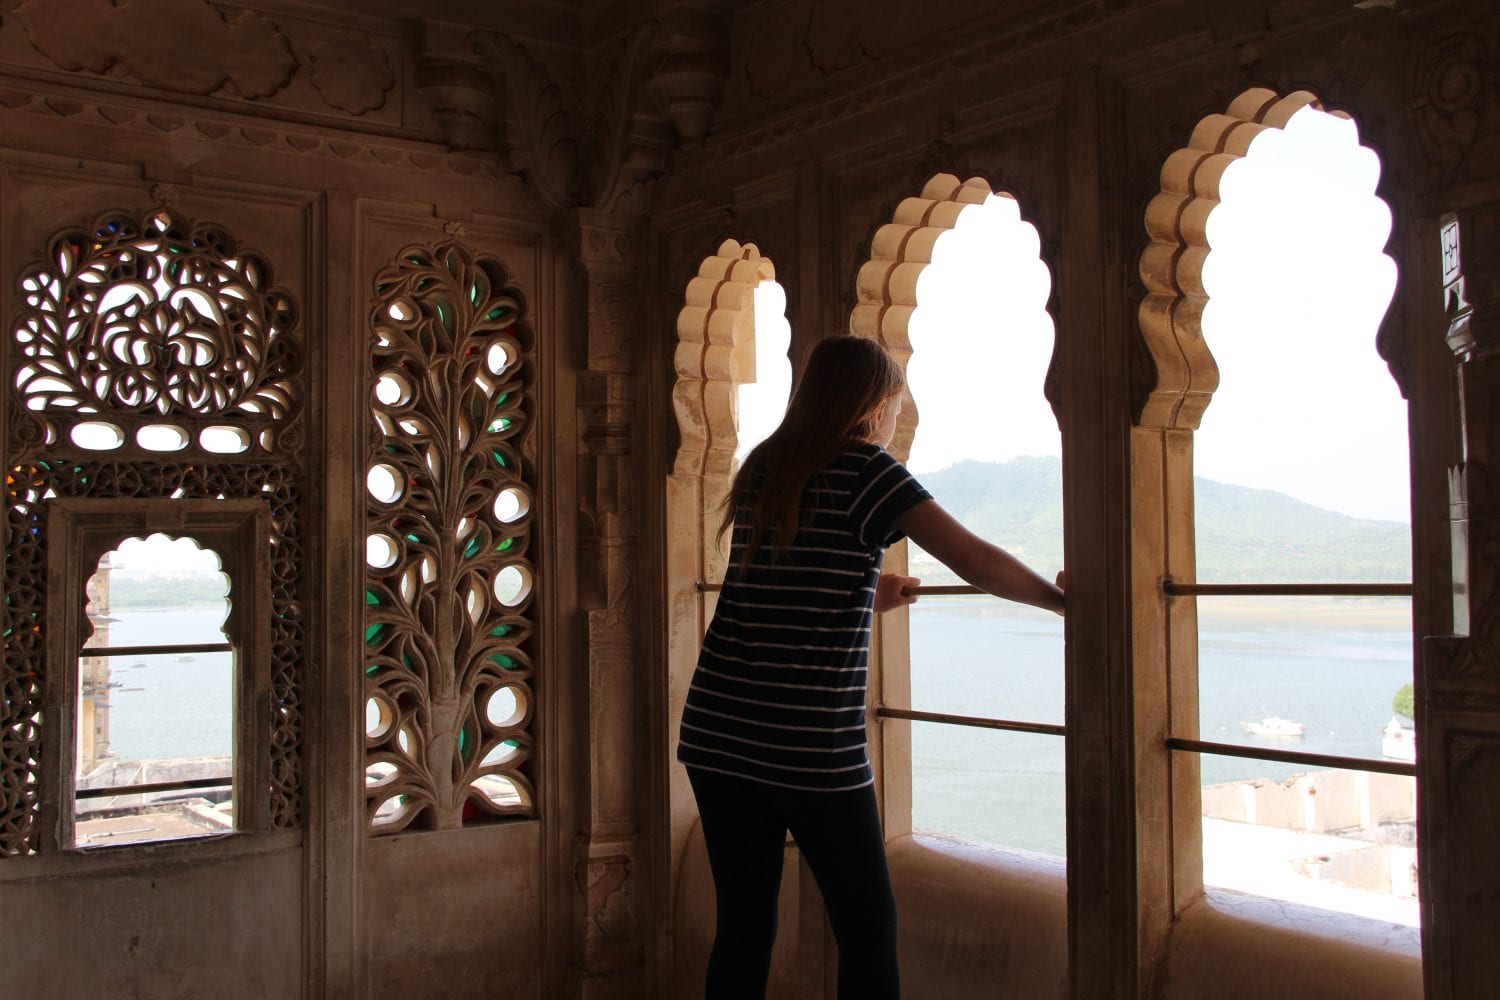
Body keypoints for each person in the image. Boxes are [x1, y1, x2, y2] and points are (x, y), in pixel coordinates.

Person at [677, 335, 1066, 999]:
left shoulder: (769, 463)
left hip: (718, 730)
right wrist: (1063, 601)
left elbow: (778, 580)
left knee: (745, 924)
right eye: (895, 404)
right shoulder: (867, 469)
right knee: (868, 926)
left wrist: (869, 594)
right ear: (876, 404)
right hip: (806, 746)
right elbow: (973, 560)